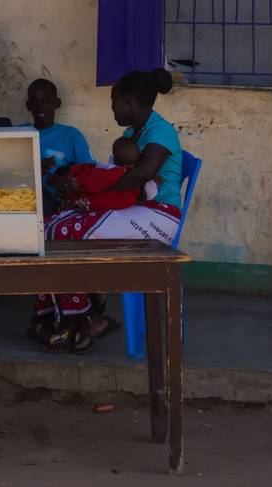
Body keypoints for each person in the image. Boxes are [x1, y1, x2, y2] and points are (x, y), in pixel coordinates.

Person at [34, 69, 186, 353]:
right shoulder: (132, 134)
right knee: (51, 224)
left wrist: (90, 190)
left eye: (114, 100)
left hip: (159, 216)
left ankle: (84, 315)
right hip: (136, 209)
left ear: (129, 101)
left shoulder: (160, 130)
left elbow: (142, 174)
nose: (112, 107)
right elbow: (119, 177)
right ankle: (73, 314)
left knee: (64, 230)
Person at [22, 78, 94, 217]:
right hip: (22, 201)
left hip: (57, 204)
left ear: (57, 103)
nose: (40, 106)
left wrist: (67, 181)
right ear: (28, 105)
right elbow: (5, 172)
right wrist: (35, 169)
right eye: (35, 101)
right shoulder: (20, 134)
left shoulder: (71, 135)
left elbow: (88, 173)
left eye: (46, 100)